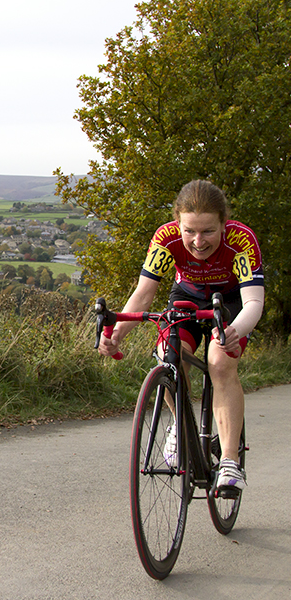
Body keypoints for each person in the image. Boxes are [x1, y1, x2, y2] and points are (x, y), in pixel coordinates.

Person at [99, 180, 264, 492]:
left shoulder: (241, 239)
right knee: (168, 355)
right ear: (178, 224)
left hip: (229, 303)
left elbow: (254, 301)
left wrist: (235, 332)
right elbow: (144, 295)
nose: (198, 241)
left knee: (220, 362)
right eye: (189, 231)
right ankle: (180, 425)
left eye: (208, 231)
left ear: (224, 224)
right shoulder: (166, 238)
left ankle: (229, 461)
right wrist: (118, 332)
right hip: (186, 297)